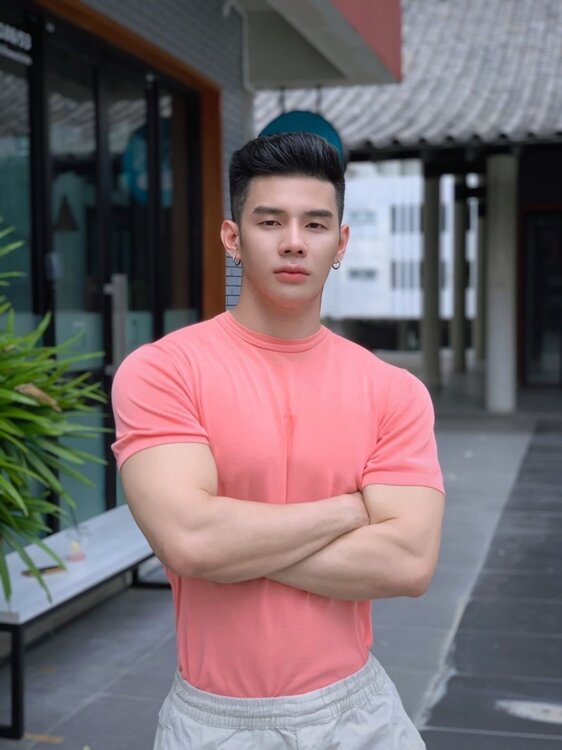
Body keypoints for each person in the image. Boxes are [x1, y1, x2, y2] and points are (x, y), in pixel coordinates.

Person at [111, 132, 445, 749]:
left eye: (316, 224)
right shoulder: (163, 371)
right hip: (215, 722)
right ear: (232, 237)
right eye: (270, 221)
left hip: (359, 715)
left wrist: (232, 545)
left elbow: (408, 563)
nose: (294, 241)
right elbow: (190, 541)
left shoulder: (393, 390)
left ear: (341, 242)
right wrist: (352, 510)